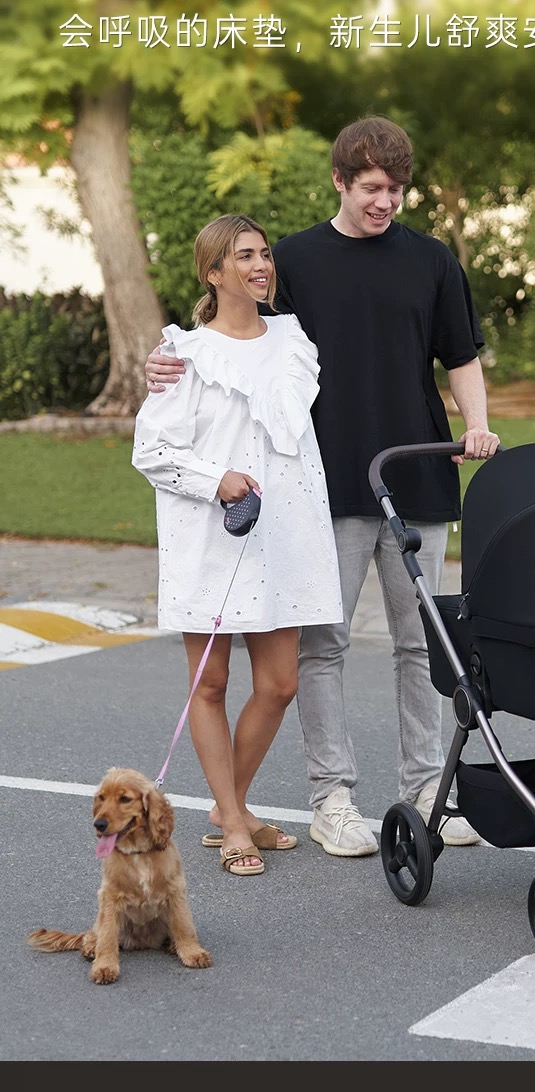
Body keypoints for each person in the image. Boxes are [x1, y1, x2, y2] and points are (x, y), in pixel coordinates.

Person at [145, 117, 500, 858]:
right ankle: (331, 799)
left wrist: (478, 424)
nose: (385, 202)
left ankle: (429, 790)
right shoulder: (294, 262)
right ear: (340, 181)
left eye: (396, 189)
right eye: (371, 187)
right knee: (323, 647)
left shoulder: (433, 260)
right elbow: (234, 339)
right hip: (323, 488)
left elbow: (461, 354)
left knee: (423, 644)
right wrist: (166, 362)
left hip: (418, 476)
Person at [133, 213, 342, 876]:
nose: (260, 266)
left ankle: (231, 810)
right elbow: (152, 450)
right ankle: (234, 821)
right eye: (244, 255)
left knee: (279, 683)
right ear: (213, 271)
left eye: (264, 254)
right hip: (211, 537)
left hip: (283, 537)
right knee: (213, 682)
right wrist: (215, 480)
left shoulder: (292, 340)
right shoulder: (185, 355)